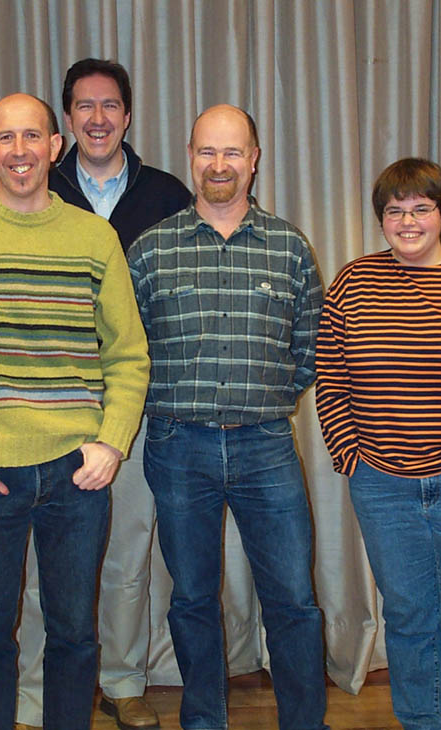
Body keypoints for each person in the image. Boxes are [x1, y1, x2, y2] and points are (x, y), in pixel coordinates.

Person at [0, 93, 149, 730]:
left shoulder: (94, 238)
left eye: (32, 137)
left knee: (75, 636)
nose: (20, 151)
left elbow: (128, 354)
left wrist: (111, 442)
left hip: (75, 471)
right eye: (6, 138)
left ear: (54, 146)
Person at [126, 104, 328, 730]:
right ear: (191, 156)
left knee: (293, 599)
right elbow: (129, 350)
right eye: (208, 151)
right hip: (177, 446)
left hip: (266, 444)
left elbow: (310, 345)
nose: (220, 165)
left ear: (254, 159)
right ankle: (204, 721)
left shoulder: (289, 247)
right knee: (191, 599)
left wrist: (264, 398)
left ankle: (304, 722)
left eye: (233, 152)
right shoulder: (150, 249)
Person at [13, 58, 191, 730]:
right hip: (47, 407)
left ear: (127, 114)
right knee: (46, 561)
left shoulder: (167, 195)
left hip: (132, 407)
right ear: (66, 119)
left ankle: (121, 681)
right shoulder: (37, 189)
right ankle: (38, 692)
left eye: (110, 105)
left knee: (127, 554)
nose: (97, 118)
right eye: (84, 105)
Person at [315, 158, 441, 729]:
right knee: (408, 616)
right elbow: (330, 375)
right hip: (381, 484)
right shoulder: (353, 282)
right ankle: (423, 720)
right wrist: (349, 454)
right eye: (394, 211)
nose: (408, 222)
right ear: (381, 219)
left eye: (421, 209)